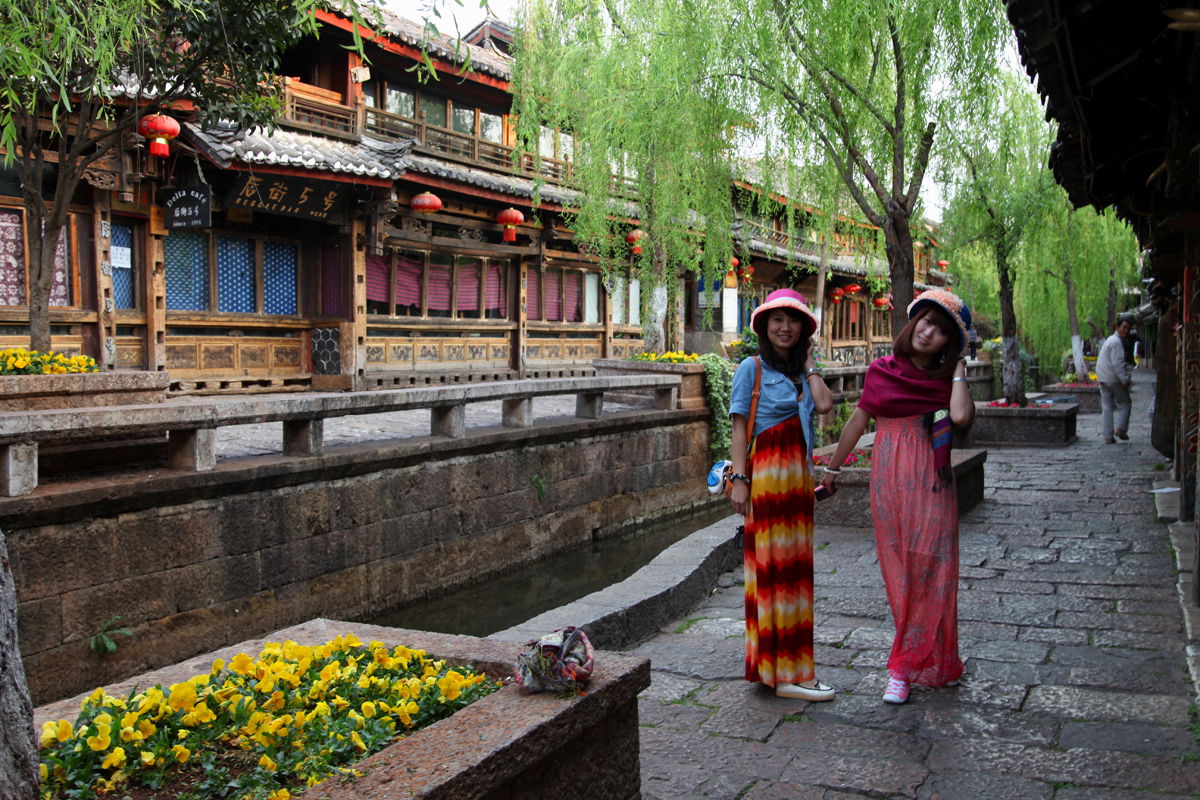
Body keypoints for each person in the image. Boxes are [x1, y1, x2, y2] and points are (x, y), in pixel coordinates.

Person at [819, 289, 975, 704]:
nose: (928, 333)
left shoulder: (945, 380)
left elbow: (959, 417)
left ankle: (903, 667)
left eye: (941, 332)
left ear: (949, 345)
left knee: (932, 566)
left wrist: (958, 368)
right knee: (901, 570)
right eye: (925, 322)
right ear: (912, 323)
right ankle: (934, 659)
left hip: (931, 477)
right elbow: (857, 419)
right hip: (888, 477)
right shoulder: (881, 370)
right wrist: (833, 469)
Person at [728, 288, 834, 700]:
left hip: (798, 484)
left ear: (804, 330)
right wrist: (740, 480)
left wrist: (808, 364)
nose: (784, 327)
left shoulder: (802, 373)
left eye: (793, 321)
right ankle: (784, 673)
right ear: (764, 326)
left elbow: (824, 405)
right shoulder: (750, 369)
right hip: (769, 481)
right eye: (776, 320)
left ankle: (786, 668)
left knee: (796, 575)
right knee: (772, 575)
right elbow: (740, 427)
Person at [1096, 315, 1134, 443]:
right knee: (1125, 403)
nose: (1126, 331)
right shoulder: (1116, 342)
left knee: (1107, 407)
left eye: (1128, 328)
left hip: (1103, 377)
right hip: (1113, 379)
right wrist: (1125, 379)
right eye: (1124, 328)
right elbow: (1117, 363)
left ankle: (1108, 436)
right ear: (1118, 327)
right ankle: (1121, 429)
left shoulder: (1110, 340)